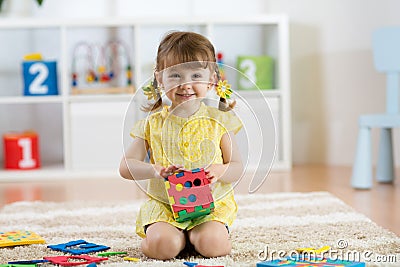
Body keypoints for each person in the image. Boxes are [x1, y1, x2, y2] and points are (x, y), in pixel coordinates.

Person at [119, 31, 243, 260]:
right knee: (163, 247)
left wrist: (220, 170)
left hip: (210, 209)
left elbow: (237, 166)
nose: (186, 85)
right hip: (165, 208)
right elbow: (126, 167)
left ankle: (198, 236)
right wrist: (154, 169)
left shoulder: (220, 120)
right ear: (159, 79)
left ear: (212, 79)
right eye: (175, 75)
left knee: (213, 246)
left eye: (196, 75)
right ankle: (174, 238)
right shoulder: (152, 124)